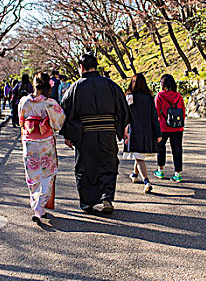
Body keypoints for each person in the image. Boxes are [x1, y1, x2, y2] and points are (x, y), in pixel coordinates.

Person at [60, 53, 132, 214]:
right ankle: (106, 196)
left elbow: (65, 111)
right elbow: (123, 108)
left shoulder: (75, 87)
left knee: (85, 167)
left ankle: (88, 202)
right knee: (108, 164)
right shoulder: (110, 85)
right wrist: (124, 129)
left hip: (85, 134)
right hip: (107, 133)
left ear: (81, 68)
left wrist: (68, 135)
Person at [19, 72, 65, 223]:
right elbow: (59, 123)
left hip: (29, 141)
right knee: (47, 173)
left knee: (32, 174)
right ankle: (39, 206)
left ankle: (38, 206)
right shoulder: (50, 104)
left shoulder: (24, 101)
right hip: (45, 141)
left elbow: (21, 120)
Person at [123, 73, 162, 193]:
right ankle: (134, 175)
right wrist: (158, 133)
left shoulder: (129, 97)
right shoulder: (149, 98)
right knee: (138, 154)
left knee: (139, 157)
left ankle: (146, 181)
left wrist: (123, 131)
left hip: (133, 131)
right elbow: (154, 117)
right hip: (147, 131)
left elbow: (125, 116)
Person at [154, 74, 186, 183]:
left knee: (161, 148)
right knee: (177, 150)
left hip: (163, 127)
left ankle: (160, 170)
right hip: (177, 127)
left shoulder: (160, 96)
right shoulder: (178, 96)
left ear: (163, 85)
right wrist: (181, 123)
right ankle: (177, 174)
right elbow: (183, 112)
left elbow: (156, 112)